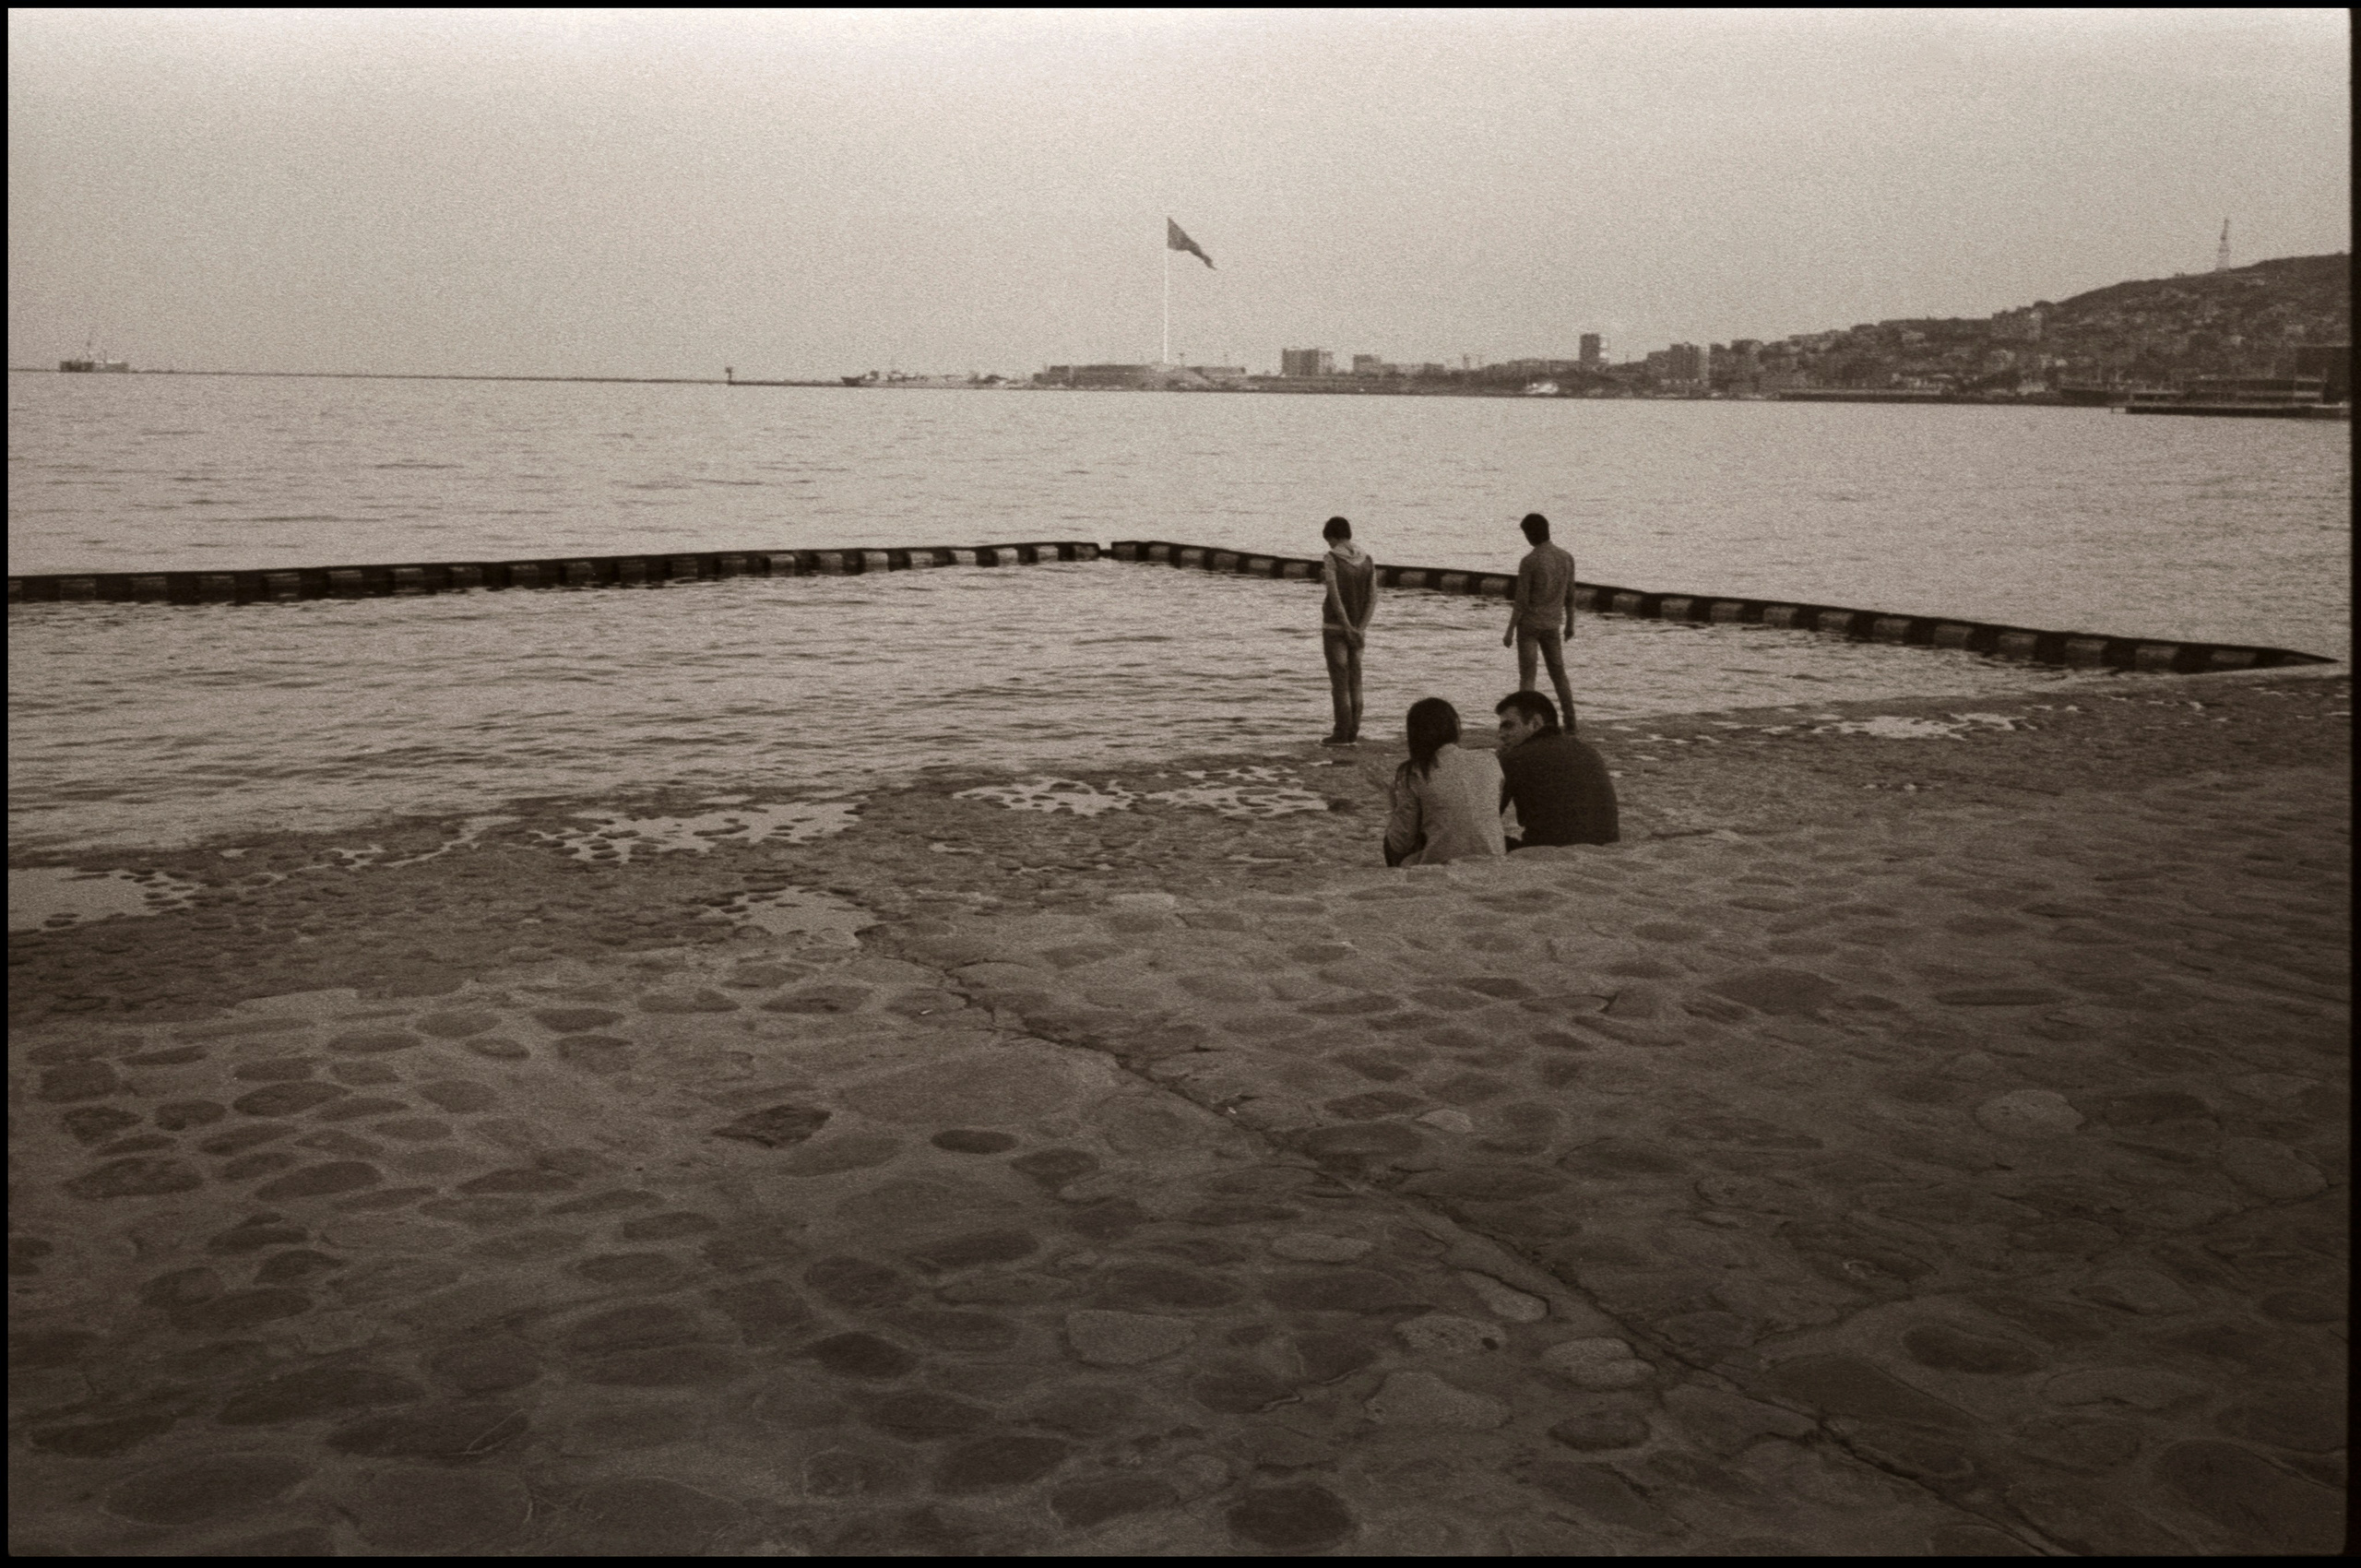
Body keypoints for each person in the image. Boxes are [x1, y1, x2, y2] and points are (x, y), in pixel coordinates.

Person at [1383, 697, 1506, 866]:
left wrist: (1393, 807)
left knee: (1393, 842)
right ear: (1455, 727)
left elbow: (1401, 841)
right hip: (1494, 858)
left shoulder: (1415, 771)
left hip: (1445, 864)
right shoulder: (1488, 759)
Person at [1494, 690, 1619, 849]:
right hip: (1606, 847)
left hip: (1550, 851)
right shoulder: (1587, 750)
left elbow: (1485, 819)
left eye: (1508, 726)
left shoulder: (1515, 757)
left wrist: (1495, 764)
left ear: (1535, 723)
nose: (1501, 735)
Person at [1501, 511, 1578, 728]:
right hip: (1553, 624)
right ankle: (1571, 720)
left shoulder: (1530, 561)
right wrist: (1570, 623)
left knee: (1528, 677)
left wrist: (1509, 631)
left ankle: (1526, 724)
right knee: (1559, 675)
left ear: (1531, 534)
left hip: (1529, 626)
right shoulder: (1566, 558)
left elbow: (1521, 601)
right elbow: (1571, 595)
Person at [1318, 516, 1376, 744]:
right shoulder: (1367, 560)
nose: (1329, 546)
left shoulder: (1331, 558)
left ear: (1332, 536)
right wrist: (1360, 628)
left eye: (1329, 541)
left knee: (1340, 682)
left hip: (1334, 627)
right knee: (1356, 680)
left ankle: (1341, 732)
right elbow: (1373, 597)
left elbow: (1334, 596)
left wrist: (1345, 626)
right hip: (1359, 629)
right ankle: (1354, 731)